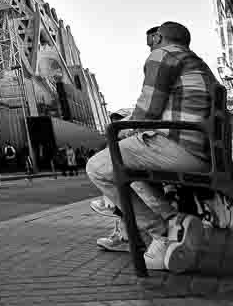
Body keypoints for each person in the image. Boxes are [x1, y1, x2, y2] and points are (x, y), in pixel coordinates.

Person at [85, 22, 213, 274]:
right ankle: (174, 222)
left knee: (98, 167)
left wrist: (121, 132)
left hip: (180, 147)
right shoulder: (198, 64)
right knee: (125, 170)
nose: (148, 49)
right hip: (203, 152)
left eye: (149, 43)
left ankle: (162, 232)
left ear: (157, 37)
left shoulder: (163, 54)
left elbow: (148, 110)